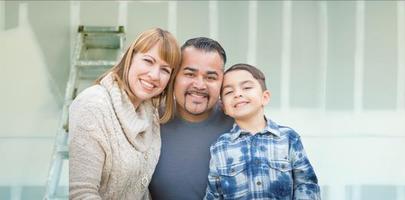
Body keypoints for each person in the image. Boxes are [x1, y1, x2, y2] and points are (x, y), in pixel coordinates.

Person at [69, 28, 181, 199]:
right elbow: (80, 194)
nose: (154, 75)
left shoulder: (151, 113)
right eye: (148, 61)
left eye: (165, 70)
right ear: (130, 58)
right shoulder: (93, 106)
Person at [205, 64, 321, 199]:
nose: (238, 94)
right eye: (229, 92)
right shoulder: (220, 147)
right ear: (223, 107)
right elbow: (214, 194)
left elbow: (306, 184)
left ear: (265, 97)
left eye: (247, 87)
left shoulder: (288, 138)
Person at [149, 37, 234, 200]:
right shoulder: (149, 121)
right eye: (189, 74)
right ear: (174, 77)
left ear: (222, 82)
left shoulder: (238, 126)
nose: (199, 85)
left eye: (210, 77)